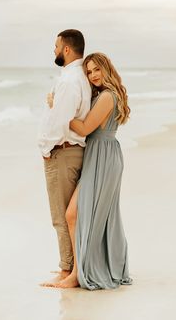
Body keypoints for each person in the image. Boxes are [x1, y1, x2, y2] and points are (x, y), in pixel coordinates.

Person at [49, 52, 133, 290]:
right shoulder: (103, 95)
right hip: (100, 155)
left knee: (74, 214)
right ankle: (82, 268)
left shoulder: (108, 96)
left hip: (103, 157)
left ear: (107, 69)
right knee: (91, 215)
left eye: (97, 69)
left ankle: (77, 273)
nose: (93, 75)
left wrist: (59, 109)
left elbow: (85, 128)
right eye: (89, 72)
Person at [38, 29, 91, 285]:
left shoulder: (70, 80)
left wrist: (46, 149)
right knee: (70, 216)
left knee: (61, 216)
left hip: (63, 151)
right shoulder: (78, 77)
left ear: (67, 49)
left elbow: (61, 121)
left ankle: (67, 270)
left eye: (56, 46)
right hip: (72, 151)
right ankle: (71, 268)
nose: (54, 50)